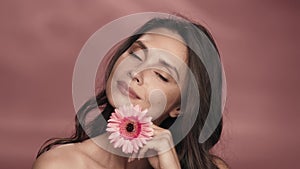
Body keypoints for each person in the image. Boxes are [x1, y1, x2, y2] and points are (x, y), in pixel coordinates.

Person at [32, 14, 229, 169]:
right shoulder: (60, 165)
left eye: (161, 74)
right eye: (135, 53)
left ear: (181, 107)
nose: (135, 71)